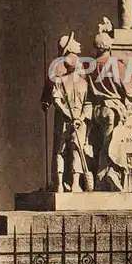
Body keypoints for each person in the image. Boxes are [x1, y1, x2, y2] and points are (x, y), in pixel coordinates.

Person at [88, 29, 132, 191]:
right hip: (114, 110)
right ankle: (112, 173)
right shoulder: (115, 65)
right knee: (114, 143)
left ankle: (102, 178)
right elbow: (129, 90)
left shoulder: (91, 65)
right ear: (109, 46)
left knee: (104, 143)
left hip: (98, 110)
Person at [41, 31, 93, 193]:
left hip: (69, 115)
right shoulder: (59, 66)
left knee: (64, 149)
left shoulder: (76, 67)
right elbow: (52, 90)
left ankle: (65, 183)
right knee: (69, 149)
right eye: (74, 41)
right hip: (69, 116)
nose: (78, 43)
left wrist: (46, 101)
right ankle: (66, 183)